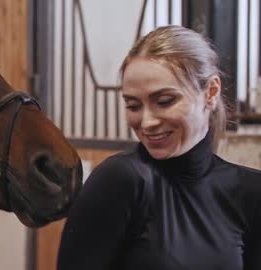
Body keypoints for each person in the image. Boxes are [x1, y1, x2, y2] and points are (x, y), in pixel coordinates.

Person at [57, 25, 261, 270]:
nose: (147, 122)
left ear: (211, 93)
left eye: (165, 102)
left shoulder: (250, 192)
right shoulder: (121, 180)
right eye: (133, 106)